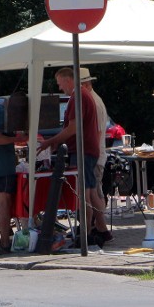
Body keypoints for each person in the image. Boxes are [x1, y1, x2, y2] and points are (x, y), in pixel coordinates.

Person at [39, 67, 111, 245]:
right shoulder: (85, 96)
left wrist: (50, 142)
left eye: (60, 82)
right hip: (89, 150)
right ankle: (100, 230)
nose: (59, 86)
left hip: (84, 151)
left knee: (84, 193)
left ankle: (85, 235)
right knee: (92, 192)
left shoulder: (77, 96)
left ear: (68, 80)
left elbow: (72, 128)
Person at [0, 101, 27, 254]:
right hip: (2, 165)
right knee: (4, 203)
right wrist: (17, 138)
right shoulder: (2, 112)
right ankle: (5, 242)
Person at [79, 68, 111, 211]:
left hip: (95, 156)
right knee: (93, 192)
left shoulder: (94, 103)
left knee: (95, 192)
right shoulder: (91, 100)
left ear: (85, 85)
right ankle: (97, 226)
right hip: (94, 154)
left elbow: (97, 132)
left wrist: (93, 156)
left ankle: (101, 227)